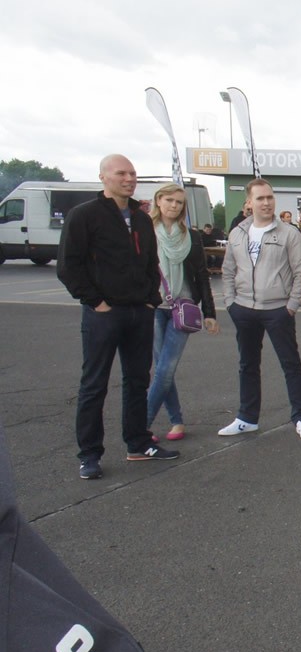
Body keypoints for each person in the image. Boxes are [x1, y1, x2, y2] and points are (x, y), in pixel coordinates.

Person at [56, 154, 178, 479]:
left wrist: (151, 299)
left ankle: (138, 443)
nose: (129, 179)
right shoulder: (85, 215)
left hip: (139, 312)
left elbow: (151, 263)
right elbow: (68, 265)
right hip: (103, 314)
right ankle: (89, 455)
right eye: (121, 173)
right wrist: (95, 302)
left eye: (133, 173)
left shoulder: (141, 218)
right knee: (94, 385)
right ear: (103, 177)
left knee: (137, 381)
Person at [219, 178, 301, 439]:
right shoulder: (238, 233)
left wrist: (291, 305)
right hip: (243, 308)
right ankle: (247, 418)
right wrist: (230, 302)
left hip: (277, 309)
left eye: (270, 197)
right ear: (249, 202)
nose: (266, 203)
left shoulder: (289, 233)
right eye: (260, 198)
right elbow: (228, 270)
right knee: (247, 364)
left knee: (290, 363)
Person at [146, 182, 220, 443]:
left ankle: (141, 426)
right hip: (153, 307)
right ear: (158, 200)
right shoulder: (146, 232)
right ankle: (176, 420)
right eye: (169, 200)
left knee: (166, 368)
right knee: (162, 370)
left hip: (183, 307)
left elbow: (202, 275)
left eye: (179, 202)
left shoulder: (191, 236)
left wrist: (209, 312)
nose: (174, 206)